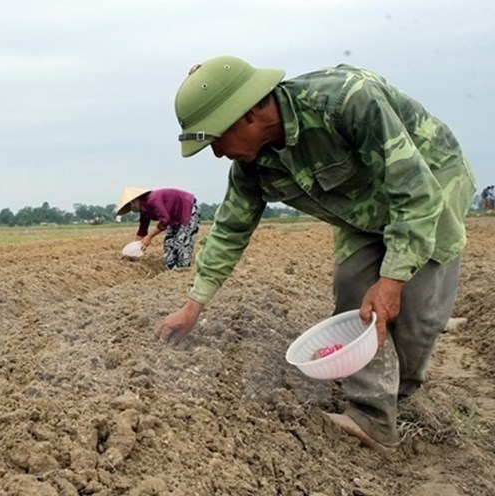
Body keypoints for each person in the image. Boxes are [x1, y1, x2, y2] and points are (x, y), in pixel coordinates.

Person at [155, 56, 476, 449]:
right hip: (359, 210)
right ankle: (372, 417)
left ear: (248, 114)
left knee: (414, 313)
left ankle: (400, 398)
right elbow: (229, 230)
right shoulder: (251, 167)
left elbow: (414, 190)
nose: (218, 154)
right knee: (353, 290)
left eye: (215, 140)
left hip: (430, 186)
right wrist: (193, 306)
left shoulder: (348, 103)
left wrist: (392, 280)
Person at [116, 187, 201, 269]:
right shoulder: (144, 209)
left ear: (136, 199)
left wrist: (149, 237)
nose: (132, 207)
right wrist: (131, 250)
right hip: (174, 217)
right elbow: (142, 230)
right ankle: (171, 271)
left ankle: (183, 269)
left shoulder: (153, 199)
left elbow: (165, 220)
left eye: (132, 203)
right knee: (169, 244)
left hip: (188, 207)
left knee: (183, 242)